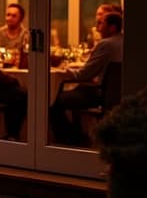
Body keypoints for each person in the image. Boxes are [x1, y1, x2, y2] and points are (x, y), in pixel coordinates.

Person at [50, 12, 123, 145]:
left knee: (54, 101)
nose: (97, 27)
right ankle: (77, 136)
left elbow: (84, 75)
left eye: (101, 23)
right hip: (117, 94)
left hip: (101, 95)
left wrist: (62, 71)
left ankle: (71, 140)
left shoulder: (106, 44)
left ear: (112, 27)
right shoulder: (124, 41)